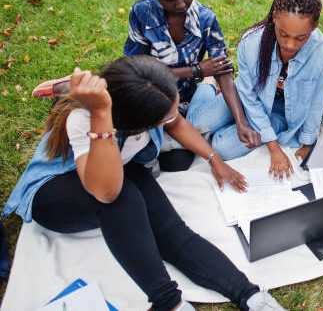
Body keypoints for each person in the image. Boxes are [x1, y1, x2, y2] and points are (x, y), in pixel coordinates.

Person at [3, 56, 285, 311]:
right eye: (165, 117)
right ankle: (169, 303)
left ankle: (250, 296)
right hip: (54, 192)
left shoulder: (147, 90)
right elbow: (106, 191)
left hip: (120, 167)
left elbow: (176, 123)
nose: (173, 119)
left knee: (173, 231)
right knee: (123, 200)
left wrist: (213, 158)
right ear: (136, 124)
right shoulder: (85, 118)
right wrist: (101, 117)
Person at [124, 0, 259, 171]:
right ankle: (193, 117)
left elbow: (224, 72)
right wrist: (196, 71)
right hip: (151, 100)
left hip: (186, 103)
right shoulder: (142, 13)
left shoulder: (206, 19)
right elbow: (135, 73)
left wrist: (241, 123)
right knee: (162, 159)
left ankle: (203, 99)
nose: (180, 4)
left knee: (181, 156)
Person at [188, 0, 323, 179]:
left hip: (280, 113)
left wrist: (308, 141)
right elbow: (248, 96)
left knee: (221, 146)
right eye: (283, 34)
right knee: (195, 126)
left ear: (315, 25)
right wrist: (274, 147)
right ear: (274, 17)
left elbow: (317, 102)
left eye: (300, 37)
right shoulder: (251, 42)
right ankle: (208, 85)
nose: (290, 44)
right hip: (245, 100)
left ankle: (221, 110)